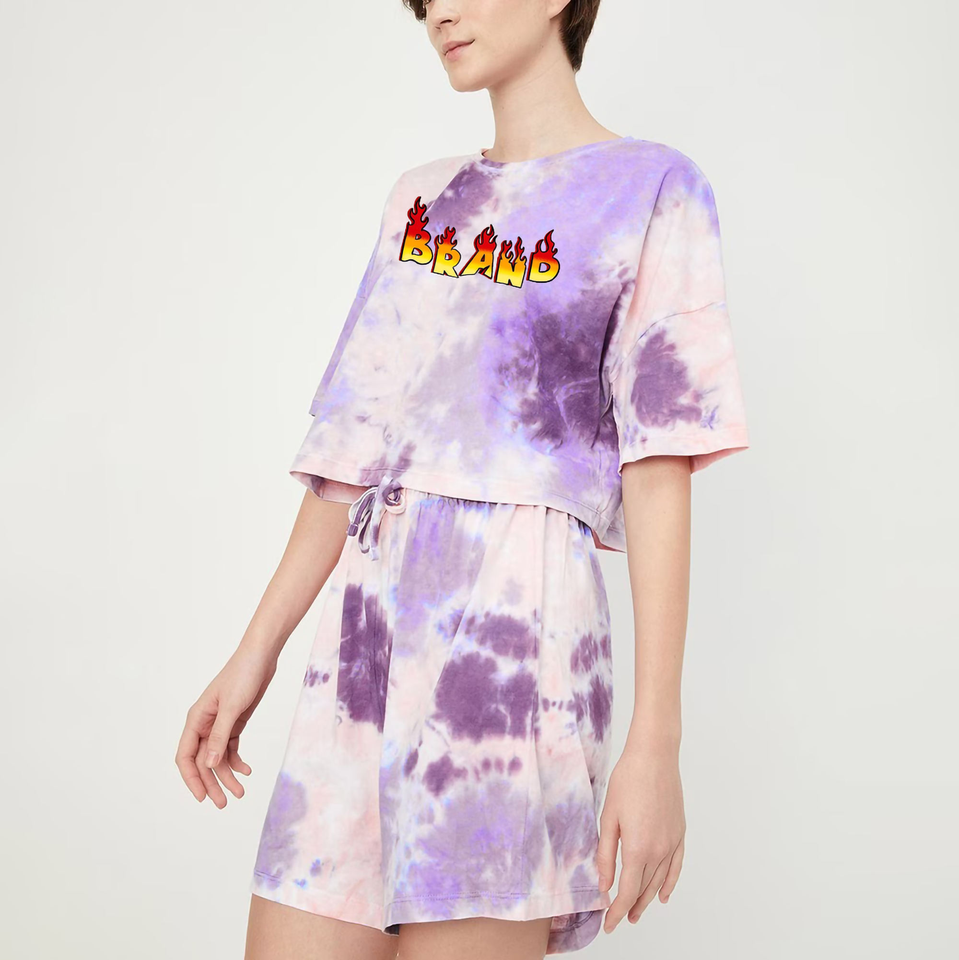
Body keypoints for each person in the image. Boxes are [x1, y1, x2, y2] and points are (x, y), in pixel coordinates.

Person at [175, 1, 750, 957]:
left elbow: (658, 467)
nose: (438, 9)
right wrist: (252, 656)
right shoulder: (421, 201)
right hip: (363, 652)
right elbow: (349, 454)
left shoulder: (653, 188)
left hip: (516, 651)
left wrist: (656, 741)